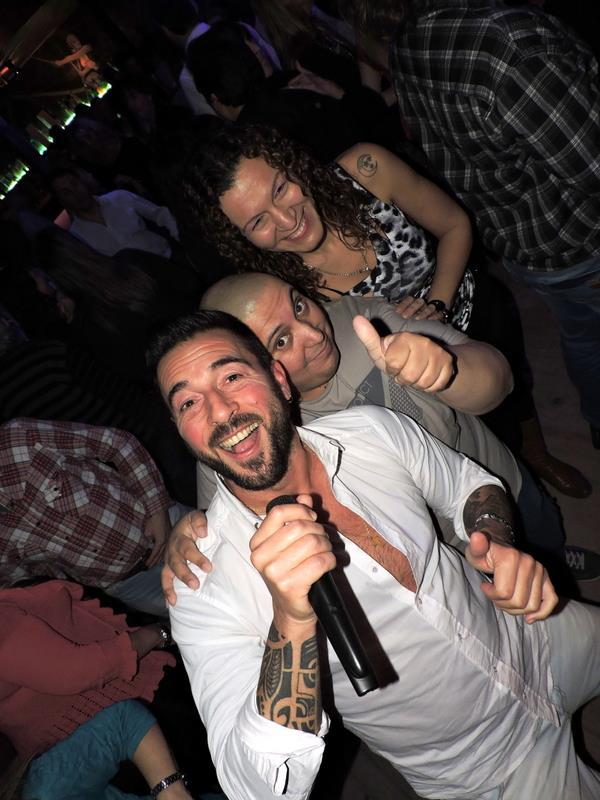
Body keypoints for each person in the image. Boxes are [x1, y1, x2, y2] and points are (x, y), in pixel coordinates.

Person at [148, 309, 600, 800]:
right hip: (485, 765)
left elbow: (467, 486)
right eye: (189, 402)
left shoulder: (372, 431)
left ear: (278, 378)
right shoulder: (200, 584)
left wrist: (498, 544)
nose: (219, 411)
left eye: (232, 377)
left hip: (541, 634)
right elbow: (257, 789)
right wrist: (292, 625)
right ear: (180, 430)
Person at [182, 122, 591, 496]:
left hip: (473, 308)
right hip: (412, 381)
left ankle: (537, 456)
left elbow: (455, 225)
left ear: (292, 166)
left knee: (512, 391)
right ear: (240, 238)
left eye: (280, 189)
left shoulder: (367, 169)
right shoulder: (277, 289)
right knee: (477, 440)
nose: (287, 220)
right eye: (258, 222)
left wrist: (436, 305)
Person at [340, 0, 600, 448]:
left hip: (519, 243)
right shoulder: (505, 43)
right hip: (576, 241)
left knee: (579, 334)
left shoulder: (411, 41)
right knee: (580, 334)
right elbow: (593, 166)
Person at [0, 579, 193, 800]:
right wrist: (159, 633)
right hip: (109, 715)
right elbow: (79, 671)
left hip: (97, 727)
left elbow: (77, 672)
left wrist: (160, 632)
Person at [0, 418, 176, 617]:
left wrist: (157, 509)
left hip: (164, 524)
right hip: (130, 585)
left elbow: (115, 442)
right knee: (203, 623)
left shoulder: (13, 440)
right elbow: (39, 578)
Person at [50, 167, 179, 258]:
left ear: (82, 182)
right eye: (66, 192)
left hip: (168, 257)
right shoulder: (77, 236)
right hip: (143, 285)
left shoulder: (119, 197)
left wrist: (178, 237)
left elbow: (160, 214)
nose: (76, 193)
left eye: (74, 184)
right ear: (62, 201)